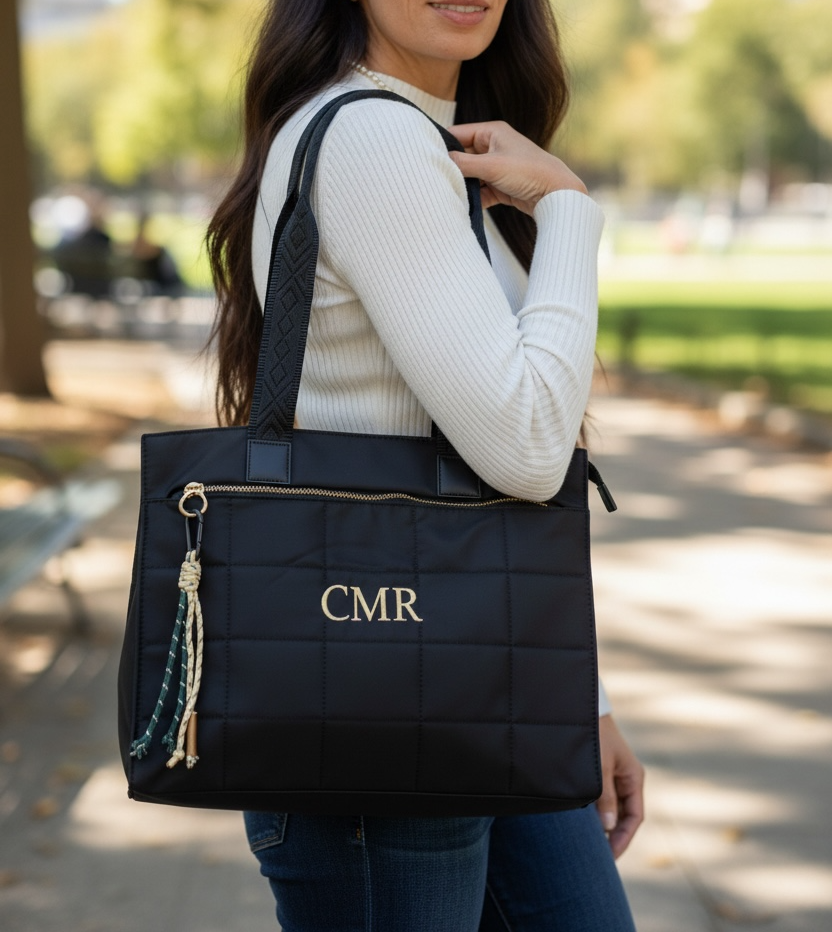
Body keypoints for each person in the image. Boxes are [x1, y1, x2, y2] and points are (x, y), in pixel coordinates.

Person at [207, 1, 645, 929]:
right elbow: (528, 449)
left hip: (479, 683)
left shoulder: (427, 140)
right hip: (378, 717)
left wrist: (582, 698)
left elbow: (492, 482)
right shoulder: (373, 140)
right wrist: (570, 210)